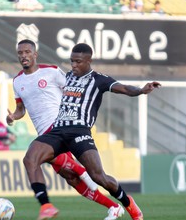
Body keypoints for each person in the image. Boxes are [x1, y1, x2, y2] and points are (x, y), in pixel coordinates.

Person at [7, 39, 126, 220]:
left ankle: (79, 179)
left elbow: (74, 87)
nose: (23, 56)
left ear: (35, 54)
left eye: (27, 52)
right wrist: (13, 117)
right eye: (20, 53)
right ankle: (113, 206)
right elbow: (21, 109)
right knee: (71, 179)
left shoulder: (52, 72)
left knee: (63, 167)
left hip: (61, 127)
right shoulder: (17, 81)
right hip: (44, 134)